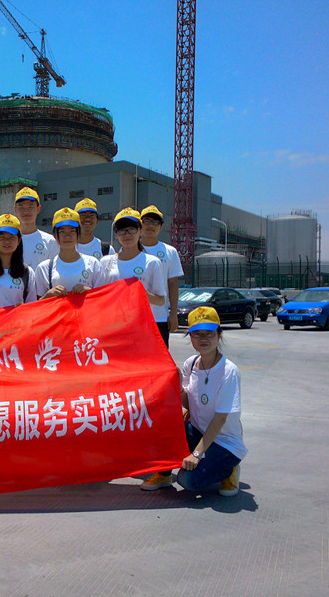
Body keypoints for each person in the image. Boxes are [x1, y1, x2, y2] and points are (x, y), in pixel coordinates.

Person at [140, 306, 246, 496]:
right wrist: (178, 387)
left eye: (209, 334)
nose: (203, 339)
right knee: (162, 424)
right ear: (190, 337)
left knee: (188, 480)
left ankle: (229, 469)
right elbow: (190, 404)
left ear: (219, 335)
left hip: (224, 442)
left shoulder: (228, 371)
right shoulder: (190, 364)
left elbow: (220, 419)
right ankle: (164, 475)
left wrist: (196, 454)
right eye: (197, 334)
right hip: (198, 432)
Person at [100, 208, 166, 312]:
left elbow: (161, 300)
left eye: (132, 229)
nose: (127, 234)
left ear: (140, 232)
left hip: (139, 320)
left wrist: (142, 293)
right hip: (113, 318)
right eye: (122, 230)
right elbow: (100, 294)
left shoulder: (152, 262)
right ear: (116, 235)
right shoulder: (106, 262)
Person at [35, 207, 106, 298]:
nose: (67, 236)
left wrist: (90, 292)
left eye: (72, 231)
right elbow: (36, 304)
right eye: (62, 232)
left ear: (78, 234)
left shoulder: (93, 264)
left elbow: (104, 298)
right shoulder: (44, 268)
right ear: (55, 235)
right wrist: (47, 296)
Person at [140, 205, 184, 346]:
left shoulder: (170, 252)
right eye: (147, 221)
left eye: (155, 222)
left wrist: (173, 313)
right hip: (135, 317)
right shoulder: (129, 249)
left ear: (161, 227)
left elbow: (173, 284)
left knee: (160, 356)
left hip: (160, 317)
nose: (150, 226)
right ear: (140, 224)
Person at [13, 187, 59, 270]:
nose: (26, 211)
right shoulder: (9, 241)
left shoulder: (50, 241)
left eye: (30, 207)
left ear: (38, 209)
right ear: (15, 210)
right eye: (21, 207)